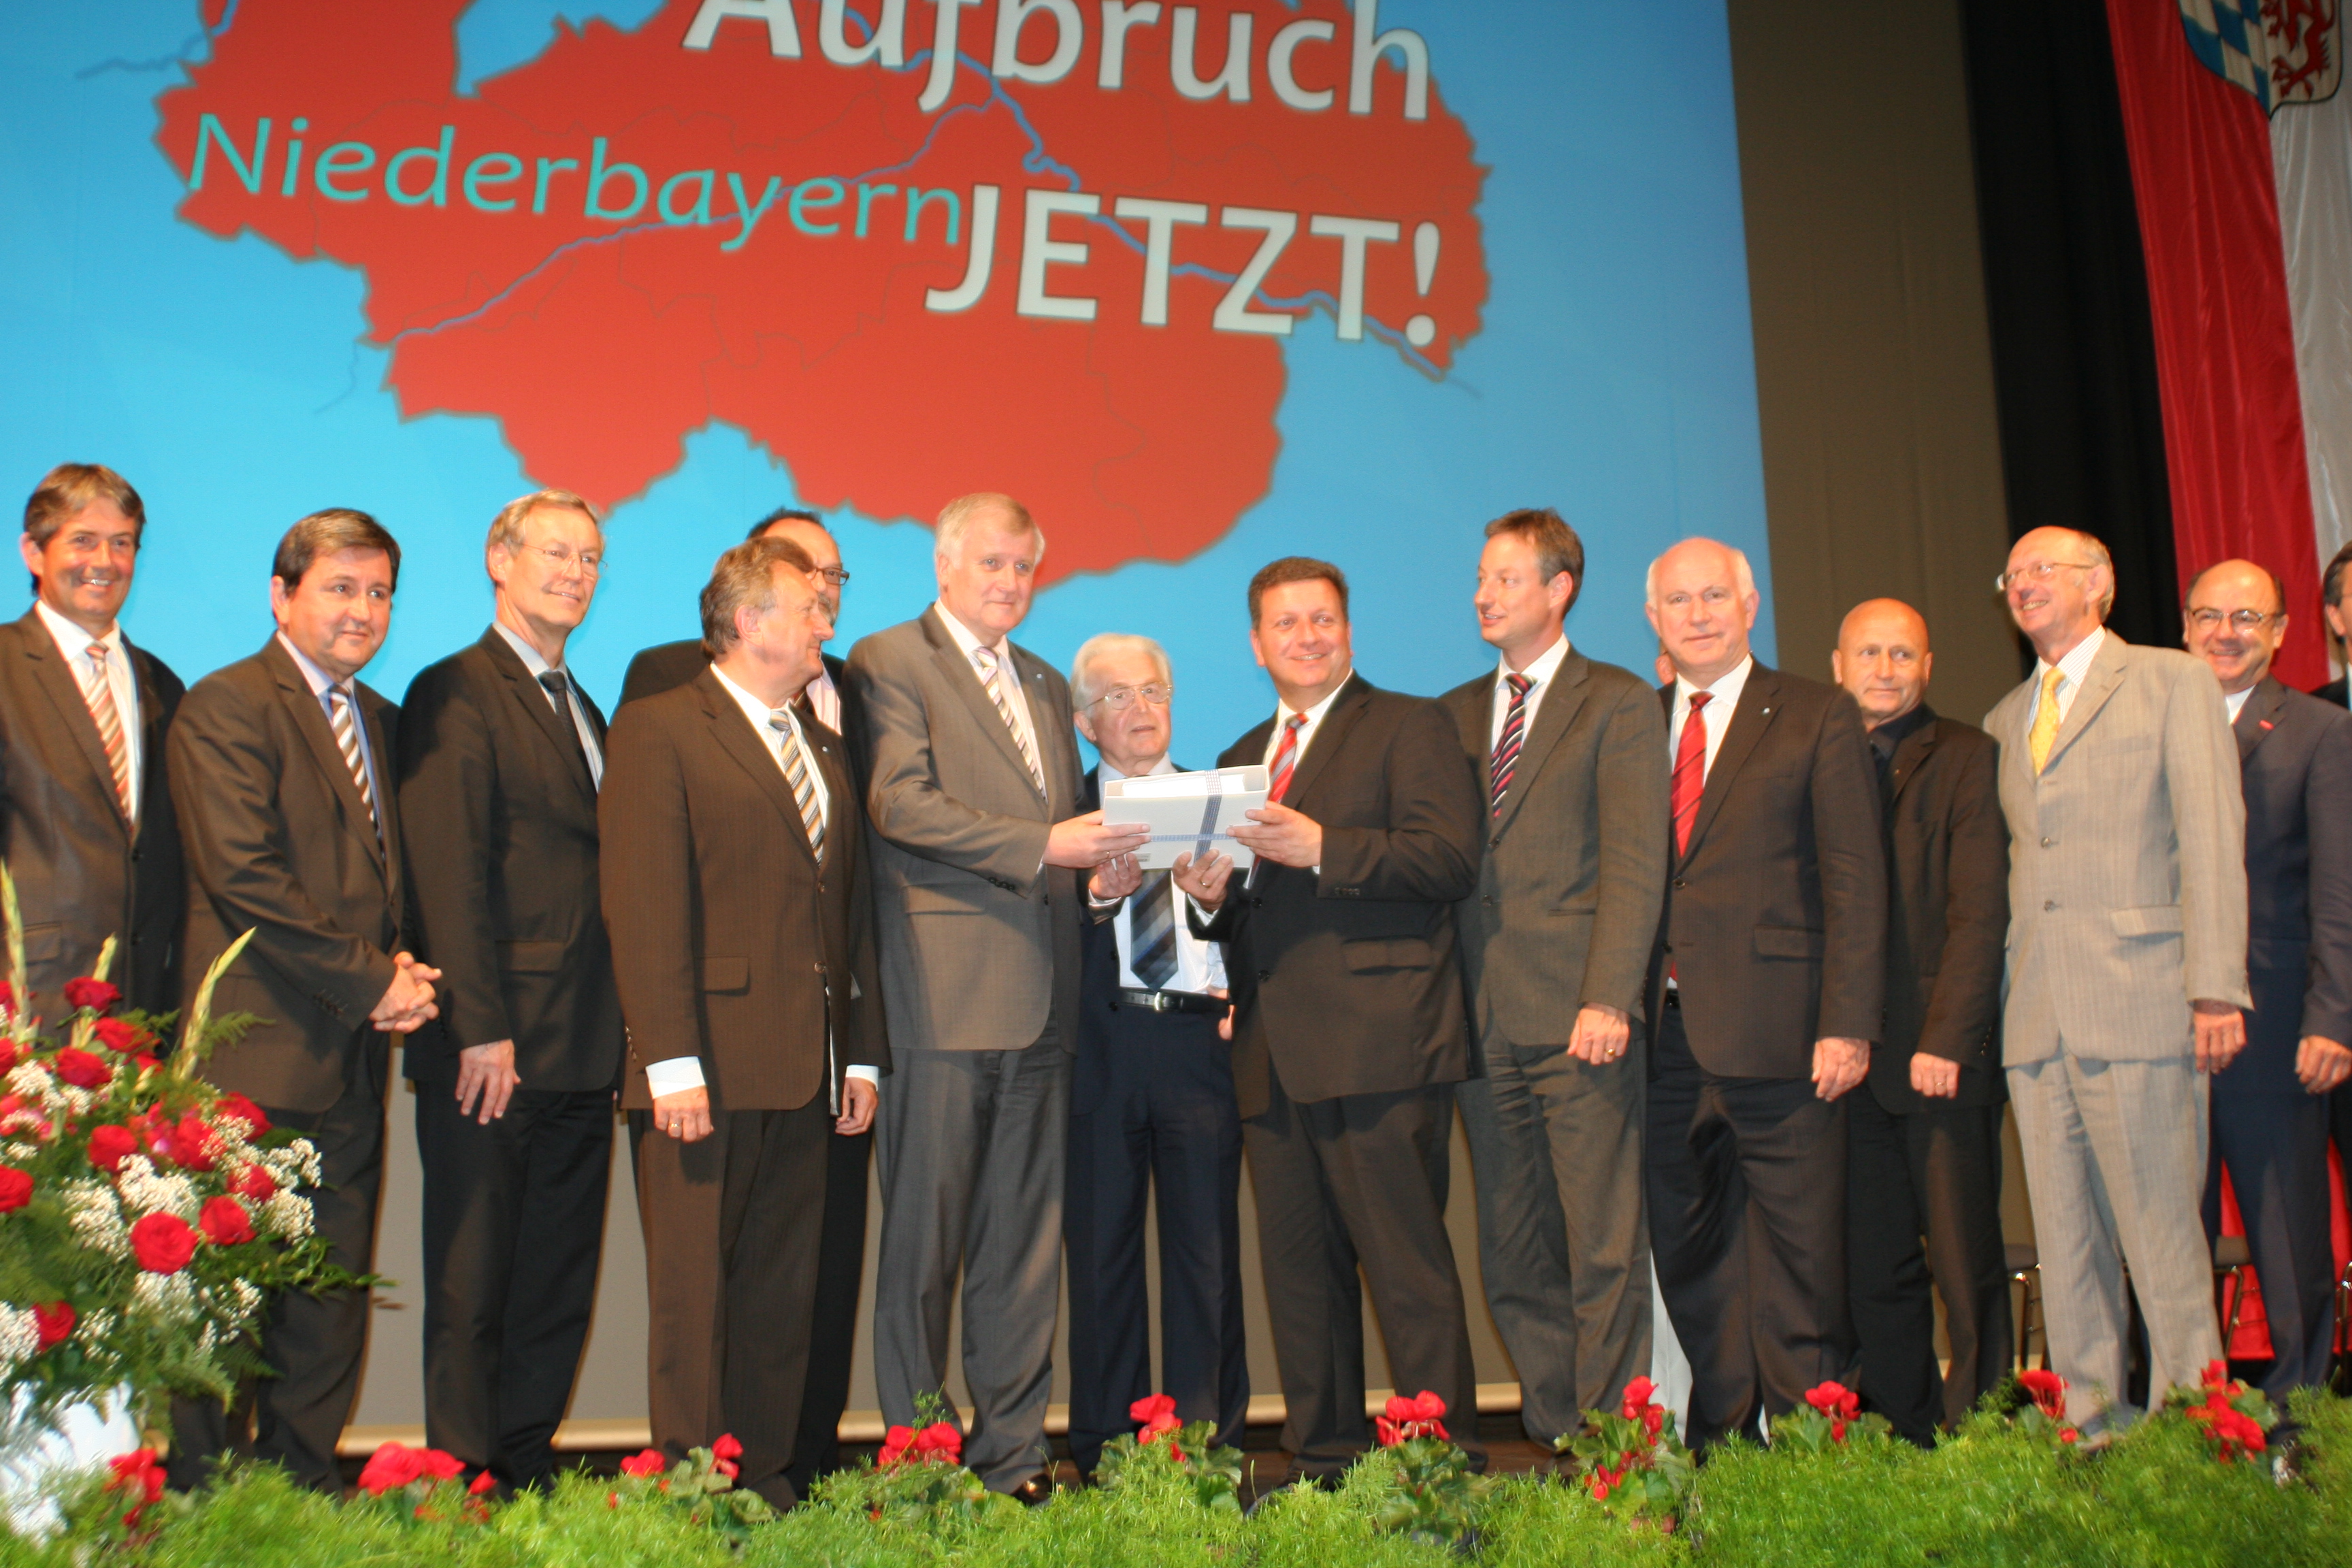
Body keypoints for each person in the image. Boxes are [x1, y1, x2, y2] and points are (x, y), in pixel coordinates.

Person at [849, 493, 1141, 1500]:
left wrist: (1094, 883)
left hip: (1044, 1003)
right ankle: (921, 1462)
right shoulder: (890, 660)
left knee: (1021, 1254)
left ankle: (1012, 1457)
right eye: (991, 564)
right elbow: (897, 802)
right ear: (943, 565)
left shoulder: (1049, 682)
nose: (1010, 583)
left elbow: (1062, 838)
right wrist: (1044, 846)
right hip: (940, 1002)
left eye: (1024, 567)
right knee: (923, 1255)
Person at [1180, 557, 1486, 1484]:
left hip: (1383, 1045)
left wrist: (1326, 847)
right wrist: (1209, 900)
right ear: (1256, 644)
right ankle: (1322, 1468)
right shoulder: (1241, 757)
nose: (1306, 637)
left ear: (1349, 630)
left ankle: (1439, 1477)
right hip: (1273, 1056)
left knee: (1406, 1272)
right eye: (1286, 623)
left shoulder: (1411, 724)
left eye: (1322, 619)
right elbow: (1249, 915)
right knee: (1301, 1279)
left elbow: (1450, 859)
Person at [600, 534, 885, 1509]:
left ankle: (763, 1484)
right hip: (704, 1071)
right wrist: (669, 1060)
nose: (825, 625)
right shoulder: (660, 728)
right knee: (696, 1300)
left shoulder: (821, 744)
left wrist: (862, 1058)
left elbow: (848, 915)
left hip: (808, 1070)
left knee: (779, 1295)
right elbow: (643, 905)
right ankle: (693, 1494)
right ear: (750, 620)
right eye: (809, 608)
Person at [166, 509, 441, 1490]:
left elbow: (382, 884)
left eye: (379, 593)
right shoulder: (226, 706)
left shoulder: (385, 722)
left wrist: (406, 970)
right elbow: (247, 879)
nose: (362, 610)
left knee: (327, 1298)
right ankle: (205, 1504)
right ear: (281, 597)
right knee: (223, 1298)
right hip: (252, 1058)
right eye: (339, 588)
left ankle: (301, 1492)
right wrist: (375, 981)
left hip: (349, 1063)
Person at [1986, 526, 2247, 1431]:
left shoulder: (2172, 682)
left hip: (2140, 1002)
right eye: (2012, 576)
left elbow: (2211, 838)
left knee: (2164, 1241)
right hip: (2038, 1018)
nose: (2023, 585)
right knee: (2068, 1249)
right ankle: (2089, 1428)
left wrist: (2214, 988)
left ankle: (2198, 1435)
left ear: (2099, 582)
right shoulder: (2006, 717)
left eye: (2042, 569)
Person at [395, 490, 623, 1490]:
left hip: (582, 1045)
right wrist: (479, 1029)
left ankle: (525, 1472)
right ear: (499, 559)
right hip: (493, 1050)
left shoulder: (586, 707)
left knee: (555, 1281)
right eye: (555, 552)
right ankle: (460, 1483)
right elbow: (446, 872)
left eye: (591, 558)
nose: (575, 573)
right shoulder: (454, 689)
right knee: (474, 1280)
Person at [1641, 538, 1884, 1450]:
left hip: (1787, 1037)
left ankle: (1813, 1456)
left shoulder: (1818, 713)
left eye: (1715, 596)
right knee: (1692, 1257)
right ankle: (1726, 1440)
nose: (1698, 614)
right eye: (1679, 600)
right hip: (1662, 1044)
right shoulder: (1634, 724)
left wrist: (1848, 1024)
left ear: (1750, 606)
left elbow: (1856, 880)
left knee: (1803, 1261)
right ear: (1654, 619)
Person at [1437, 509, 1666, 1438]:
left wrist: (1609, 996)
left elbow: (1636, 864)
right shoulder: (1453, 713)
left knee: (1603, 1243)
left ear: (1560, 587)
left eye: (1505, 578)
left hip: (1580, 1018)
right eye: (1481, 579)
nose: (1483, 595)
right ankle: (1559, 1432)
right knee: (1513, 1246)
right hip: (1480, 1022)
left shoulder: (1616, 702)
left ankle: (1618, 1447)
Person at [1062, 633, 1247, 1477]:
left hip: (1197, 1044)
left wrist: (1211, 906)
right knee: (1101, 1259)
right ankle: (1109, 1457)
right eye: (1118, 696)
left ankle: (1208, 1454)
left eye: (1155, 692)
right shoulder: (1060, 814)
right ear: (1084, 721)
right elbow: (1041, 935)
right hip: (1099, 1050)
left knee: (1206, 1258)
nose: (1141, 709)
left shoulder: (1222, 801)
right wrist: (1097, 895)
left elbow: (1254, 930)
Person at [1829, 599, 2011, 1443]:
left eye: (1903, 654)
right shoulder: (1819, 758)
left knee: (1966, 1267)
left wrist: (1949, 1041)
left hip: (1937, 1062)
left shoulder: (1968, 755)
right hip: (1848, 1067)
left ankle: (1983, 1438)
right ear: (1838, 666)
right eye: (1868, 653)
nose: (1885, 669)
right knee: (1875, 1274)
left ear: (1928, 668)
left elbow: (1979, 913)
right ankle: (1907, 1439)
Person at [2179, 559, 2352, 1403]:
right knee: (2173, 1237)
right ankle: (2190, 1418)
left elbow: (2339, 893)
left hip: (2277, 1024)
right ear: (2184, 628)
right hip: (2160, 1026)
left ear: (2282, 632)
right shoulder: (2150, 727)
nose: (2226, 632)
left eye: (2247, 618)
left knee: (2287, 1238)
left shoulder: (2321, 730)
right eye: (2209, 616)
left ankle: (2299, 1420)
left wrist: (2333, 1017)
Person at [0, 463, 183, 1015]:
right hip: (29, 1004)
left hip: (143, 1006)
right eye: (83, 540)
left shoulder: (164, 685)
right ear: (34, 553)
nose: (104, 561)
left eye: (121, 543)